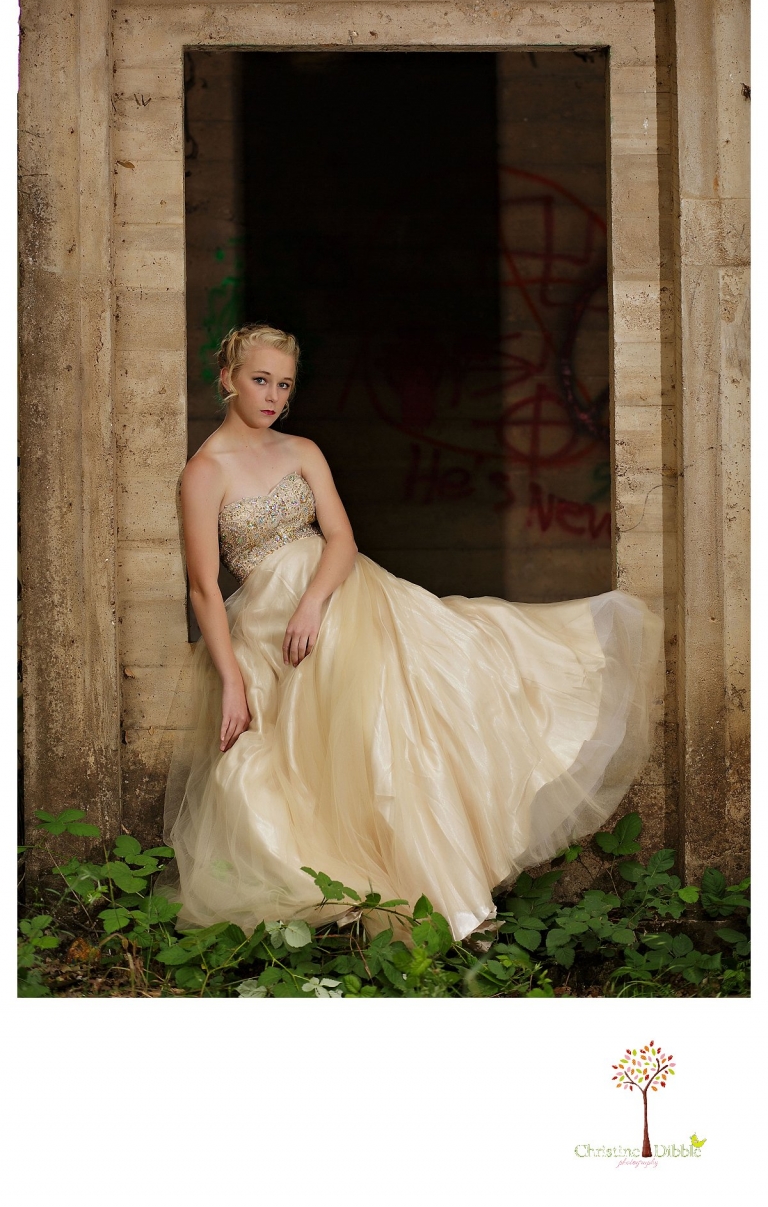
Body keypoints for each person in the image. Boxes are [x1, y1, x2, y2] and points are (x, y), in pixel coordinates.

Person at [163, 324, 663, 941]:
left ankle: (438, 883)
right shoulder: (205, 472)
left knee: (433, 688)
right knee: (296, 760)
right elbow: (204, 589)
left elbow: (342, 539)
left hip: (342, 598)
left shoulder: (302, 452)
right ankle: (357, 888)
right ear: (227, 378)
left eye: (284, 385)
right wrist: (232, 681)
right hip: (264, 630)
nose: (272, 396)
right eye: (260, 380)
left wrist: (314, 603)